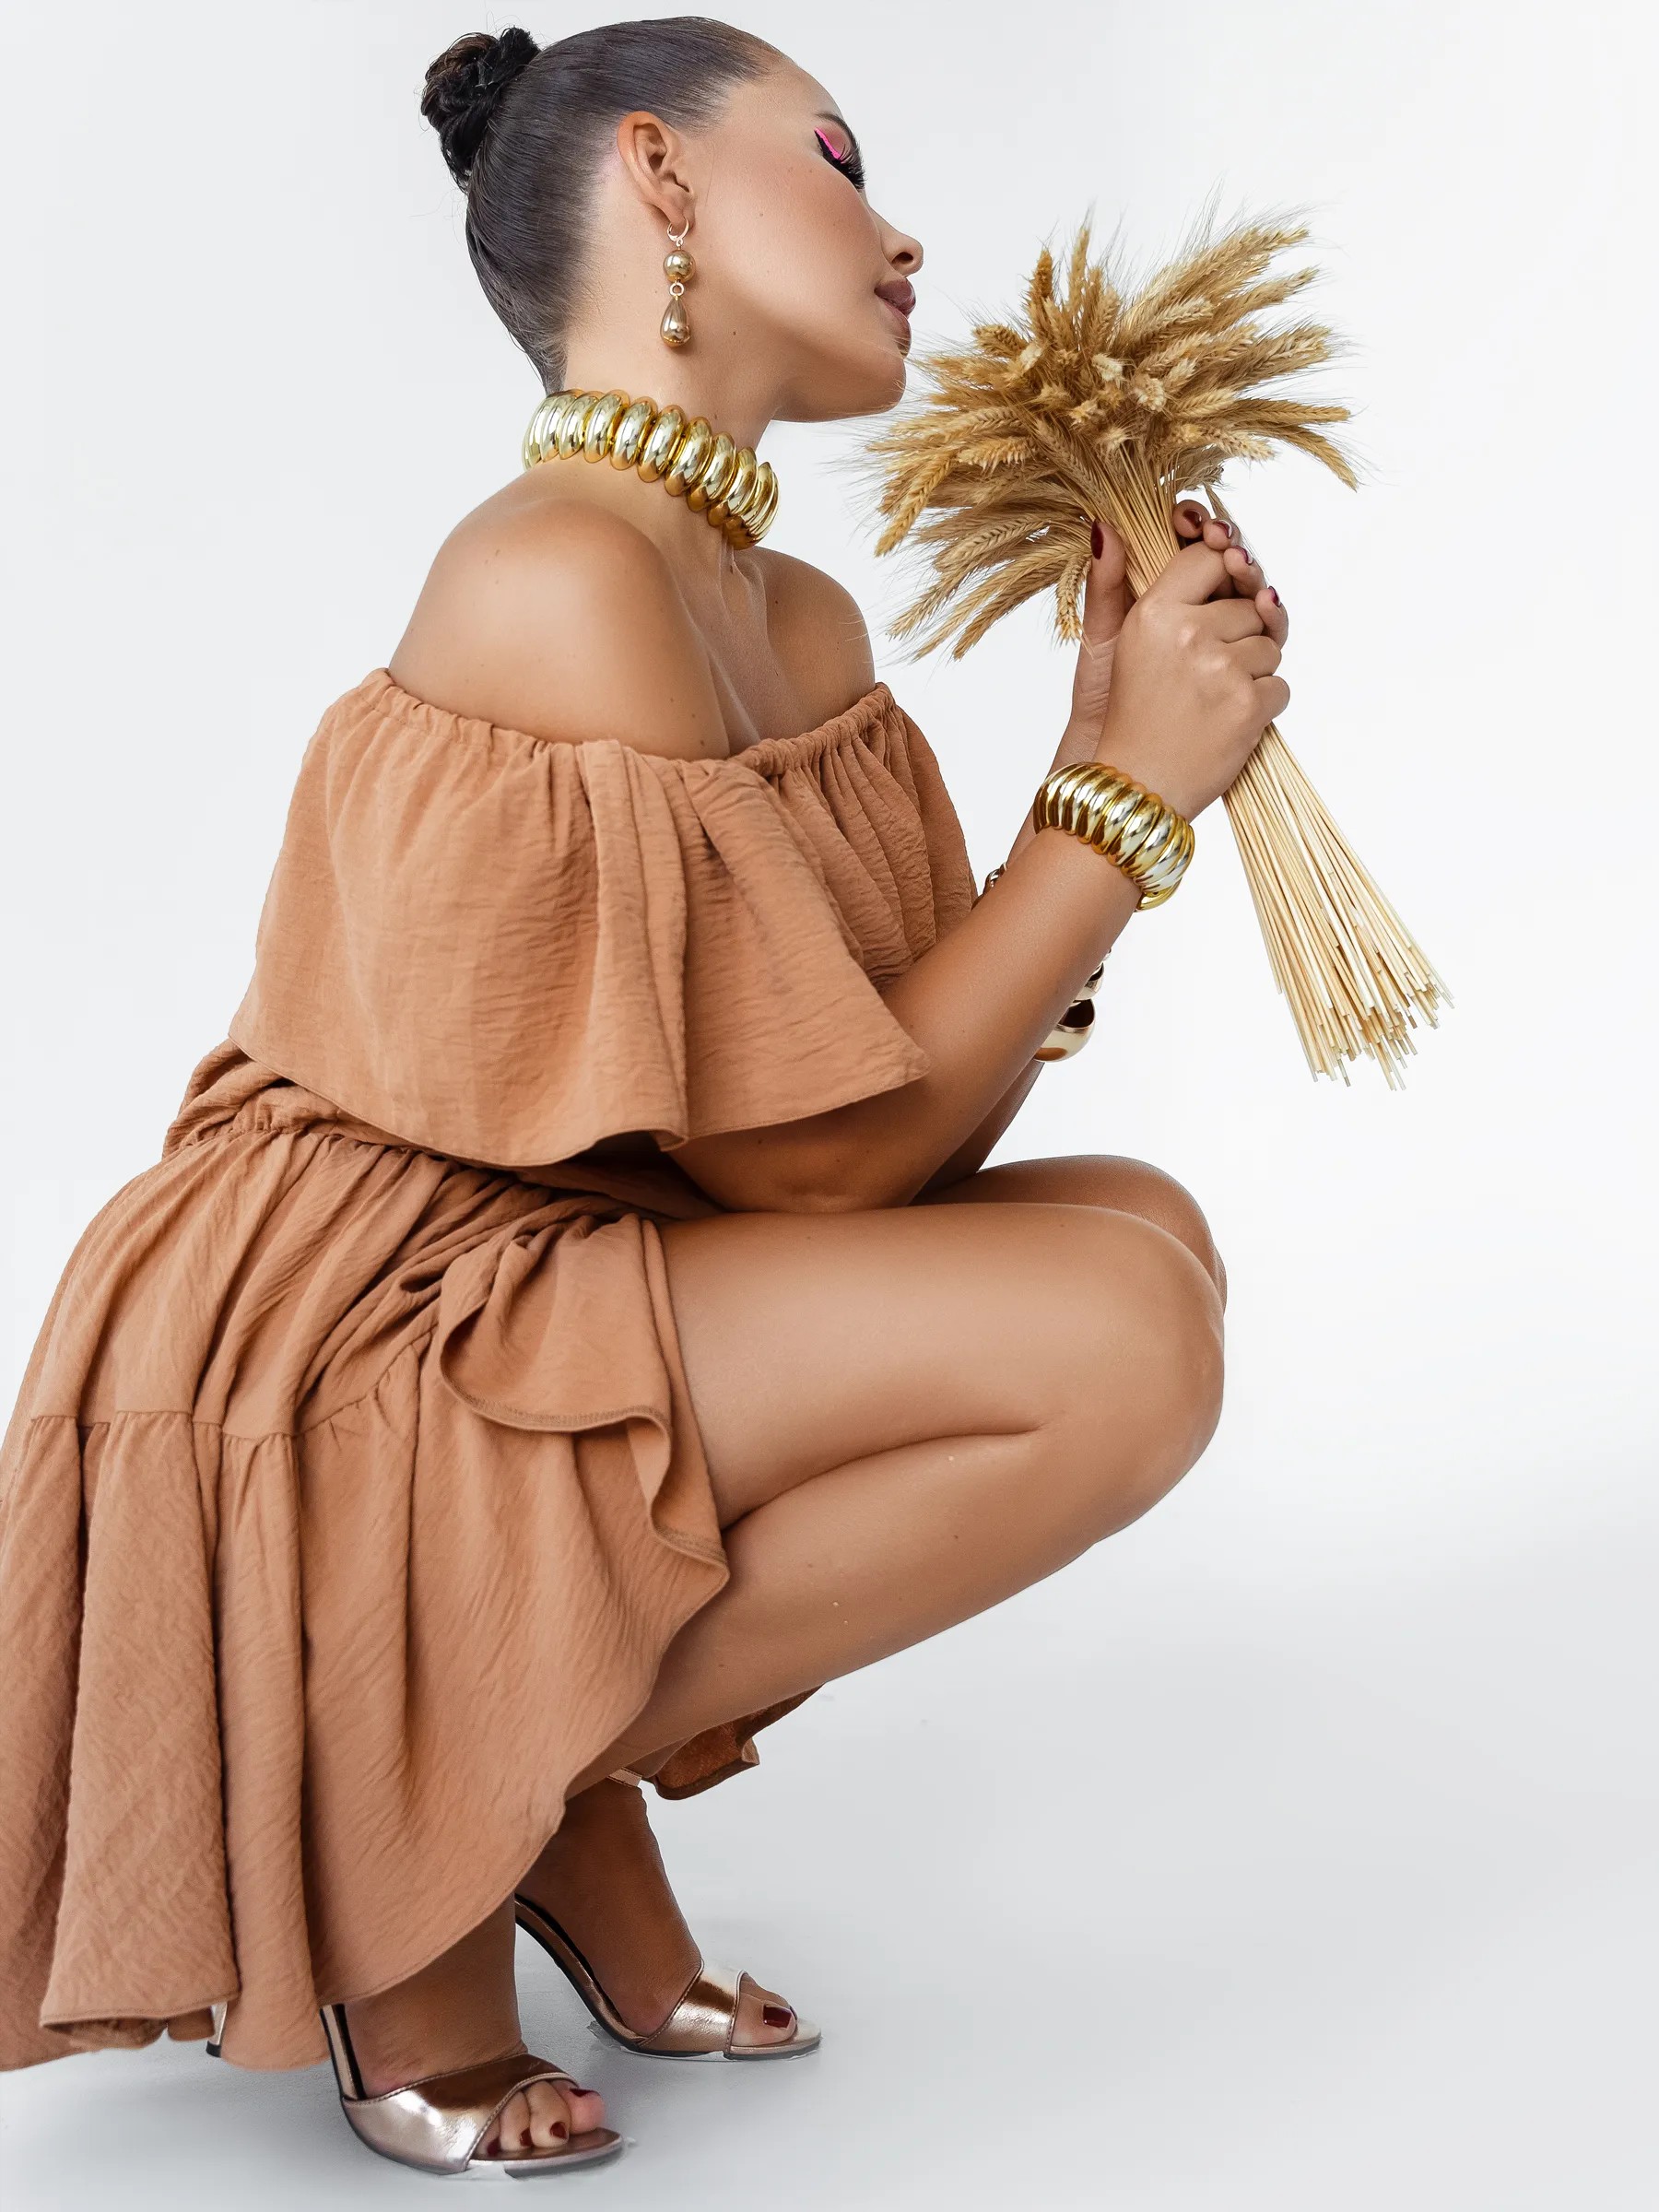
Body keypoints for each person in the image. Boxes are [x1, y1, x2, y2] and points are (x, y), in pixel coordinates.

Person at [0, 15, 1288, 2180]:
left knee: (1148, 1224)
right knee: (1121, 1334)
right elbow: (820, 1165)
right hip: (378, 1321)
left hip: (593, 1260)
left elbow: (883, 1140)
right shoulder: (558, 570)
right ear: (660, 179)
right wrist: (1113, 804)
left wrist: (1107, 766)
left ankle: (526, 1773)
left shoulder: (796, 620)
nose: (904, 236)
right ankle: (414, 1812)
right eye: (839, 161)